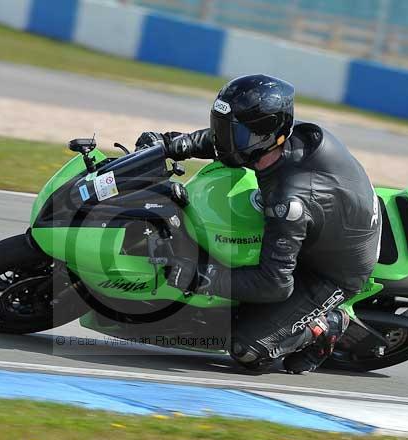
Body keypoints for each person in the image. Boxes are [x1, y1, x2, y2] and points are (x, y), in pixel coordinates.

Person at [135, 74, 382, 374]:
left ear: (266, 136)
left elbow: (274, 283)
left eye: (234, 133)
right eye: (223, 127)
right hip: (331, 219)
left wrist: (194, 275)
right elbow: (225, 144)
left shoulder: (288, 200)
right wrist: (171, 144)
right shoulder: (283, 139)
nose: (223, 138)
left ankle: (328, 325)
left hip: (333, 272)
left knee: (248, 350)